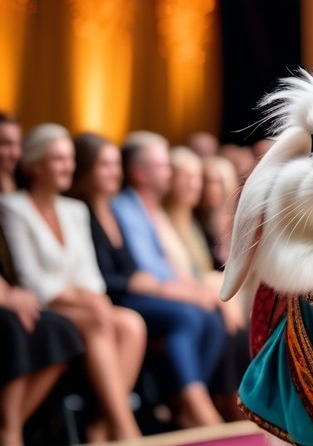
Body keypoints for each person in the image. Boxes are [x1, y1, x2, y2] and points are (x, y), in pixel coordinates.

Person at [70, 132, 229, 428]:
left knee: (209, 316)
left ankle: (186, 402)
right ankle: (191, 403)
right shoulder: (110, 209)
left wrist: (180, 287)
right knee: (187, 316)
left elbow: (149, 267)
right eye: (106, 165)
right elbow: (122, 275)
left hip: (134, 293)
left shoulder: (114, 210)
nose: (115, 171)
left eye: (115, 164)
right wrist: (159, 285)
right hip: (118, 297)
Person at [0, 124, 144, 443]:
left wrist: (91, 297)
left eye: (69, 159)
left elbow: (90, 277)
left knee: (132, 323)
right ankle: (124, 428)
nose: (68, 166)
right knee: (97, 320)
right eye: (57, 159)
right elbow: (33, 282)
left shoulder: (75, 209)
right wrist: (87, 300)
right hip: (48, 305)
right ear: (34, 165)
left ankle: (101, 425)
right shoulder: (13, 207)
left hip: (77, 304)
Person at [0, 114, 85, 446]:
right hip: (11, 299)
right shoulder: (14, 203)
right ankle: (10, 433)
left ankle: (11, 428)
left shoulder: (9, 193)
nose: (12, 152)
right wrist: (7, 294)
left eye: (15, 144)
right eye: (4, 143)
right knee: (18, 326)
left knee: (58, 330)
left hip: (16, 296)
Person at [163, 146, 249, 421]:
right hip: (189, 297)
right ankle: (218, 402)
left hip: (209, 296)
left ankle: (237, 400)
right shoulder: (186, 222)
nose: (199, 185)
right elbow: (190, 274)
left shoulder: (194, 224)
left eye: (200, 178)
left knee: (236, 323)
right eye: (195, 177)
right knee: (221, 322)